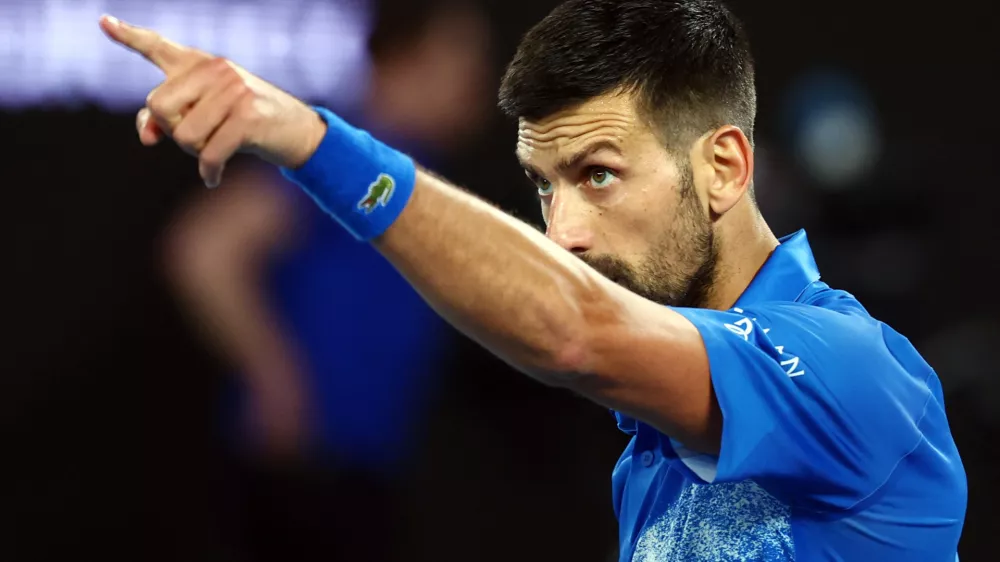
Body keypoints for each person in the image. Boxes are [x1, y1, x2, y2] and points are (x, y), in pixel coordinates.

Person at [99, 0, 967, 559]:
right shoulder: (651, 454)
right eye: (545, 187)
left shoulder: (849, 367)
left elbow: (574, 331)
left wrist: (312, 142)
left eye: (599, 174)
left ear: (723, 168)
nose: (564, 233)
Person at [159, 2, 491, 560]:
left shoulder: (413, 163)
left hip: (368, 472)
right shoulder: (343, 154)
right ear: (406, 58)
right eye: (462, 55)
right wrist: (274, 375)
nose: (478, 78)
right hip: (303, 478)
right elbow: (204, 249)